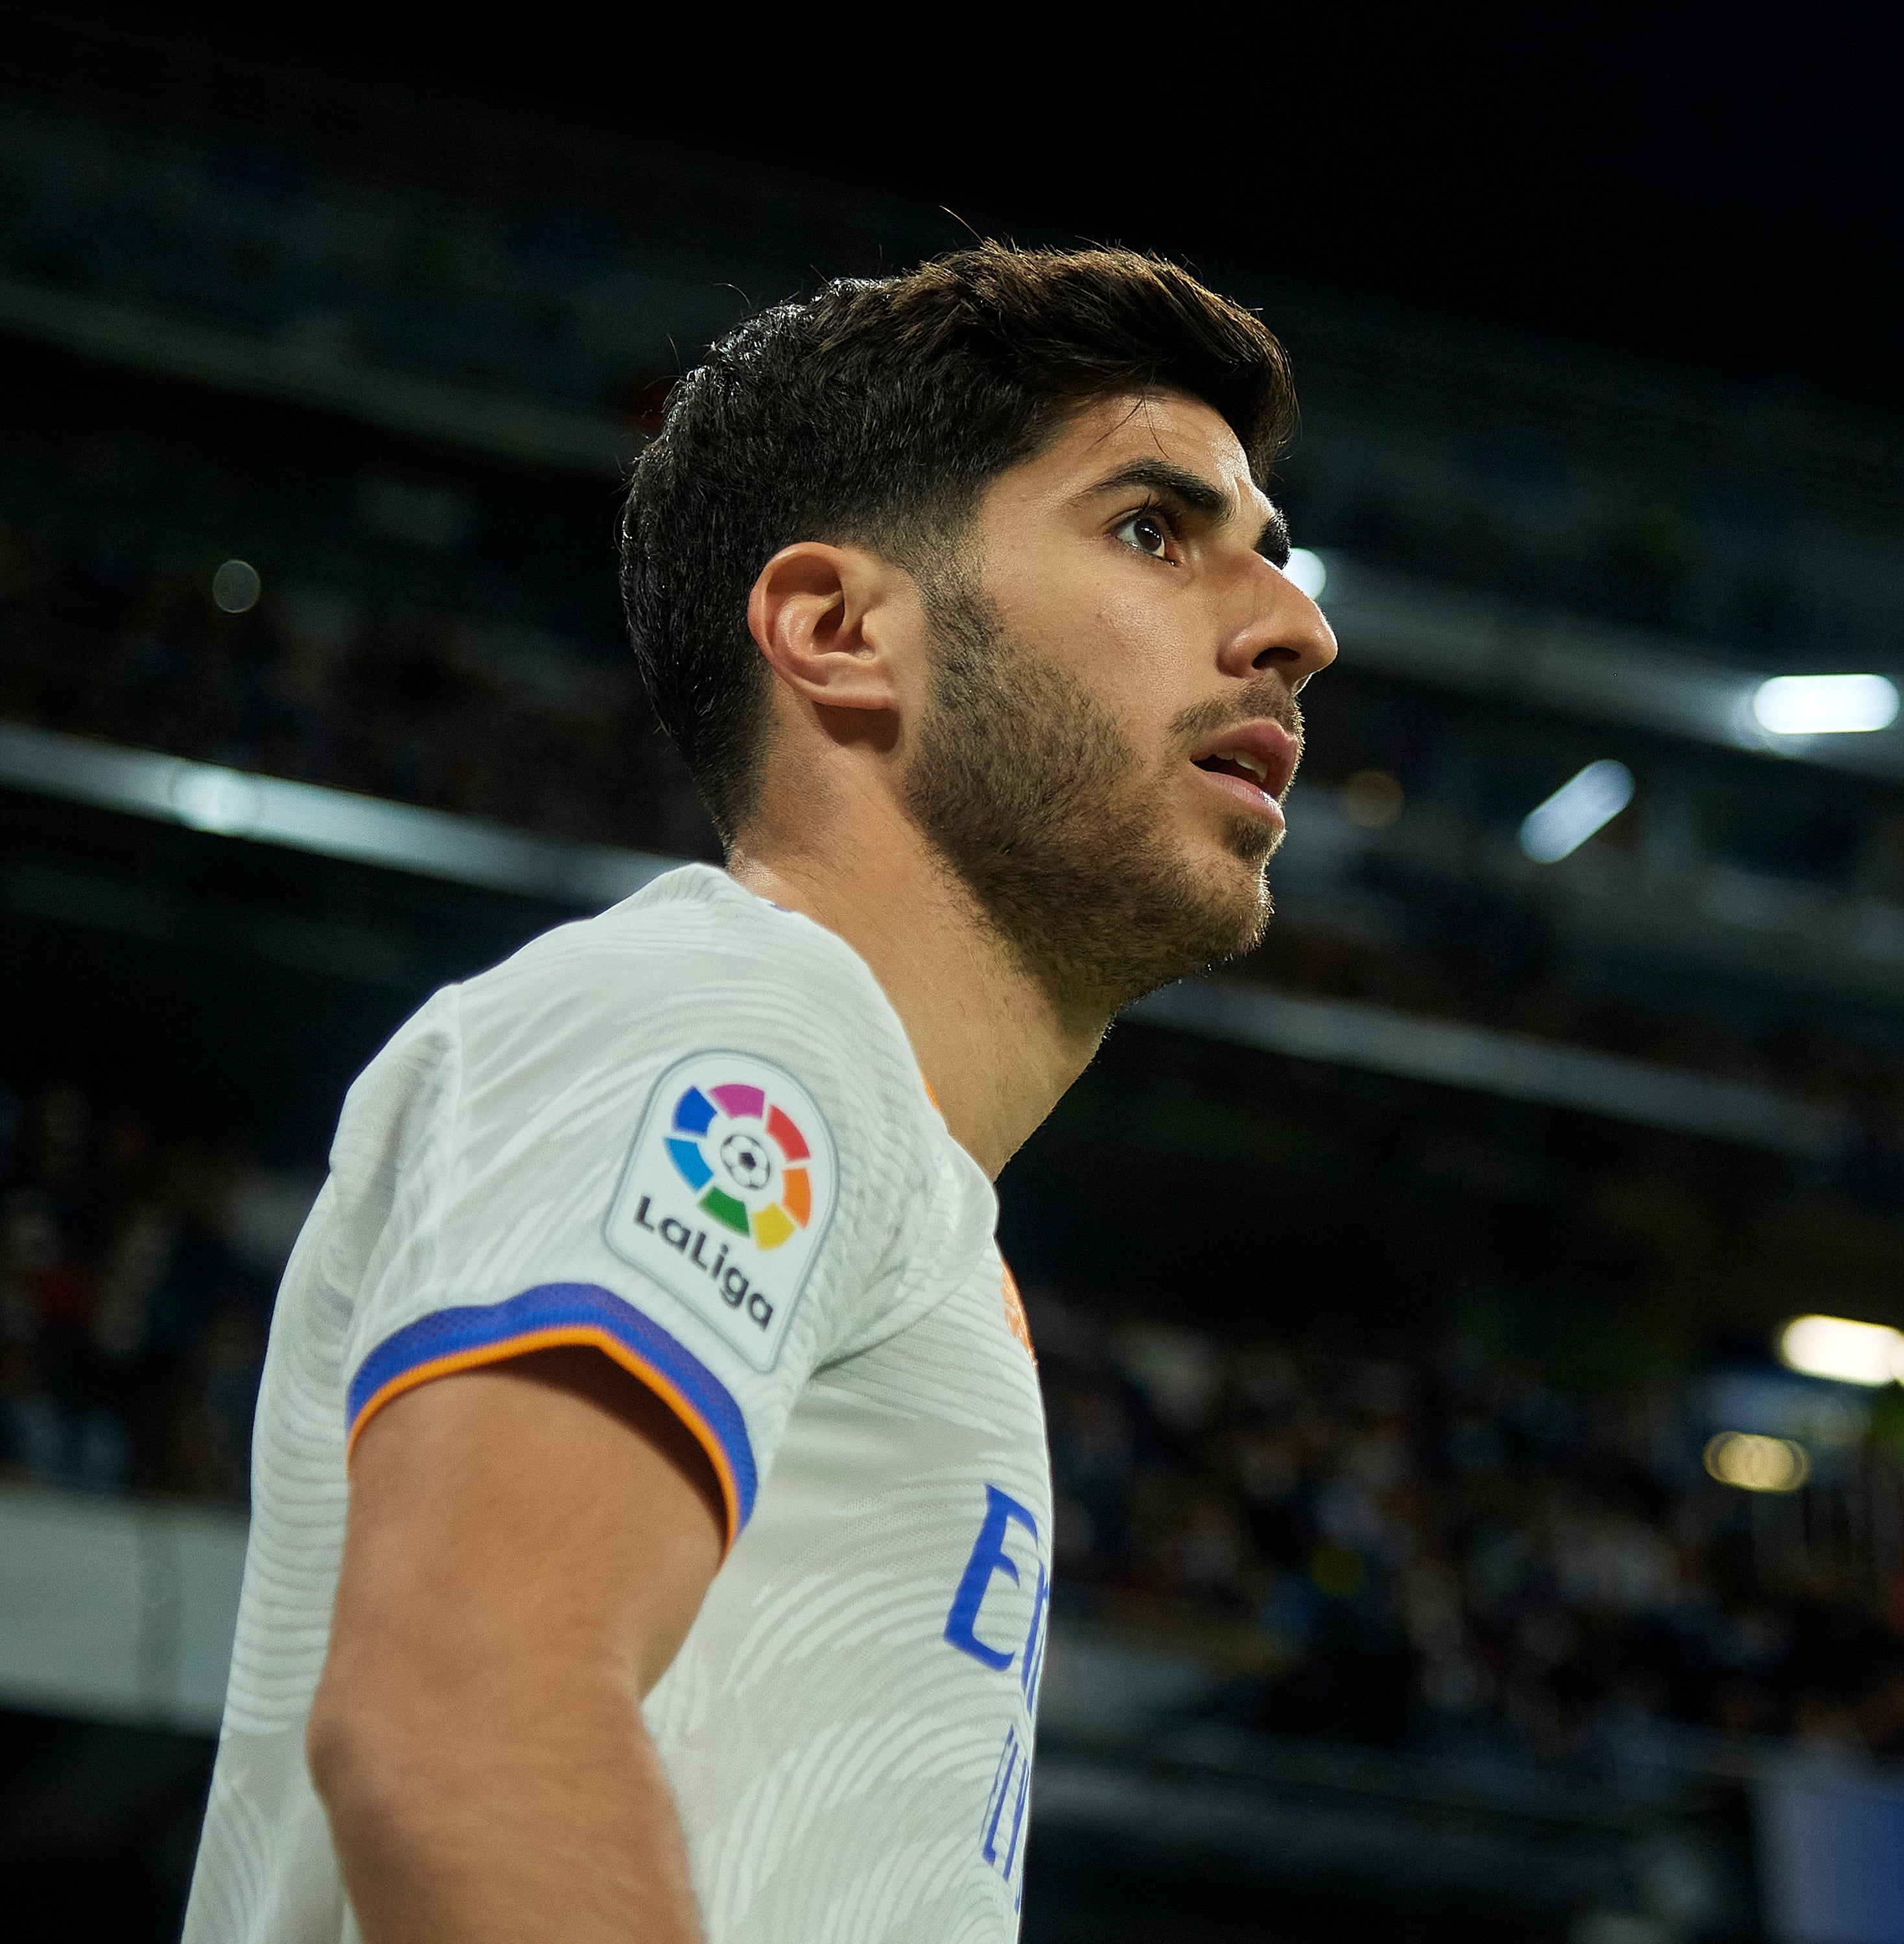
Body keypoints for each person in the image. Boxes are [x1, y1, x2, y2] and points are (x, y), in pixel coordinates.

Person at [181, 242, 1338, 1943]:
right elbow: (468, 1710)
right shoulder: (732, 1019)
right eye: (1152, 531)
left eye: (1274, 557)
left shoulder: (885, 1155)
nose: (1297, 630)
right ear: (837, 630)